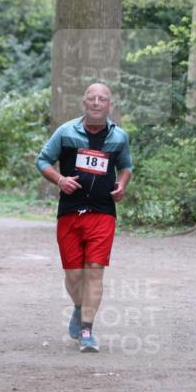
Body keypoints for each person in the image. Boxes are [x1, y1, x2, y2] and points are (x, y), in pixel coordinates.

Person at [36, 83, 133, 353]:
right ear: (84, 103)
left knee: (94, 271)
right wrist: (60, 179)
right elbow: (43, 160)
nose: (96, 103)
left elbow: (126, 166)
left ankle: (87, 330)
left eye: (102, 99)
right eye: (92, 98)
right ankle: (79, 308)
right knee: (74, 274)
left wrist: (122, 184)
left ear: (109, 105)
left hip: (103, 213)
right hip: (70, 212)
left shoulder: (119, 137)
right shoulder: (66, 132)